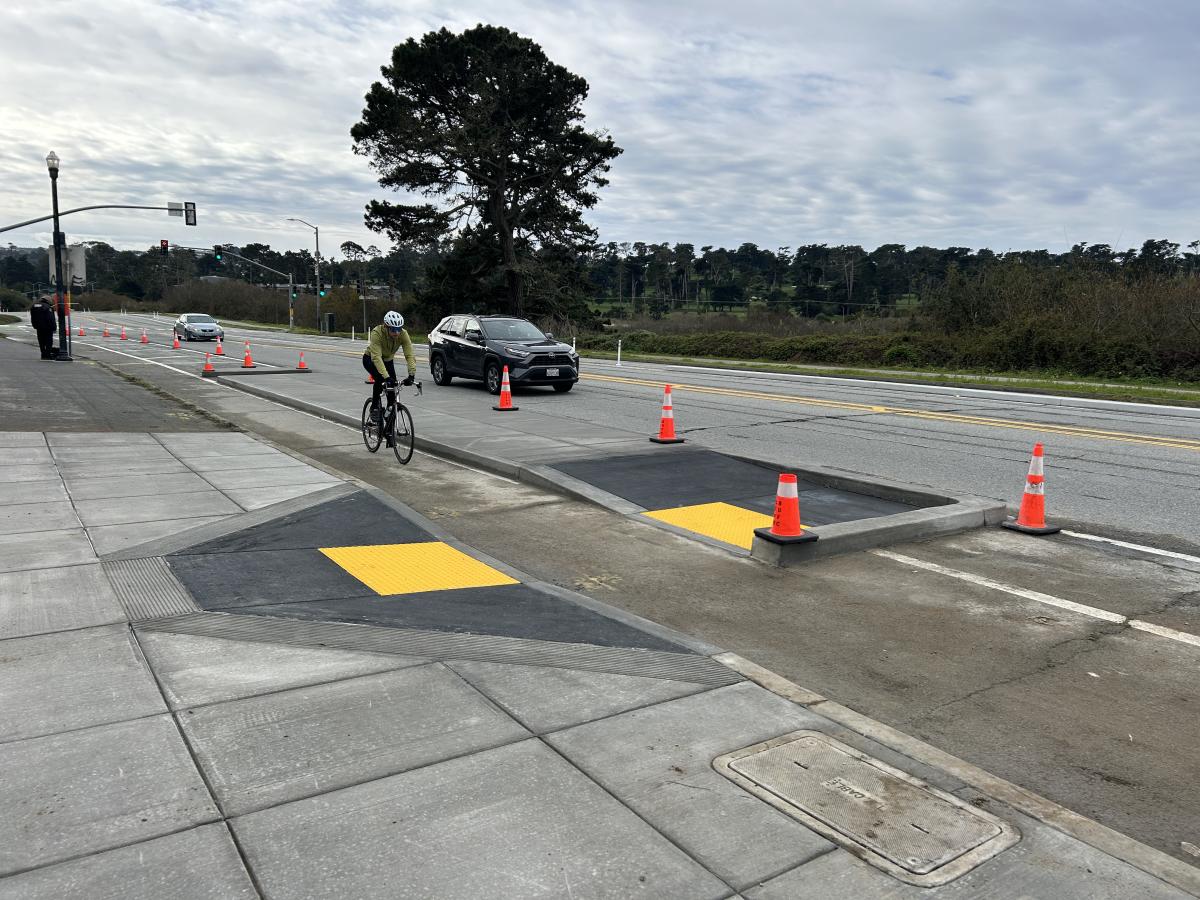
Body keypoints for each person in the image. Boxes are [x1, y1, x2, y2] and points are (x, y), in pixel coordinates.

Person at [362, 310, 416, 423]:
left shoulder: (403, 334)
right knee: (380, 379)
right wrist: (386, 377)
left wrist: (411, 374)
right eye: (393, 329)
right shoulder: (377, 333)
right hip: (371, 359)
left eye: (399, 329)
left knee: (392, 392)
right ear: (386, 327)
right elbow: (376, 357)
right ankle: (374, 408)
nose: (397, 333)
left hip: (388, 360)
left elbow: (409, 355)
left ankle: (389, 424)